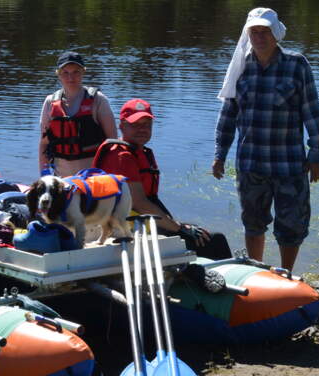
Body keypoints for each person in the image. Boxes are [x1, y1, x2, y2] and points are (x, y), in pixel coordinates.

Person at [212, 8, 319, 273]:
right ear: (248, 34)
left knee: (292, 226)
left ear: (275, 34)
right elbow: (227, 115)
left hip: (289, 164)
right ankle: (258, 272)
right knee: (253, 223)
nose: (259, 37)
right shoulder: (239, 66)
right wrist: (220, 154)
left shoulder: (297, 65)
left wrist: (316, 154)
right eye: (254, 32)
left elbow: (312, 110)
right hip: (251, 164)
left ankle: (286, 275)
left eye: (264, 32)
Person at [93, 99, 232, 260]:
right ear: (122, 125)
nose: (142, 129)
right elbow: (139, 203)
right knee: (214, 240)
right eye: (135, 124)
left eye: (146, 124)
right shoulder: (122, 156)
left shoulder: (140, 152)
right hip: (131, 225)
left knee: (201, 234)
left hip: (143, 221)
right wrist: (179, 228)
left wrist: (179, 227)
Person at [38, 51, 117, 177]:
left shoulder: (98, 100)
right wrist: (45, 175)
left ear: (83, 72)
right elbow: (44, 144)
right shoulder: (50, 102)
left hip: (94, 178)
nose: (71, 77)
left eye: (76, 72)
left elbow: (112, 142)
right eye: (65, 72)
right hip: (62, 179)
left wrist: (110, 175)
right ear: (58, 74)